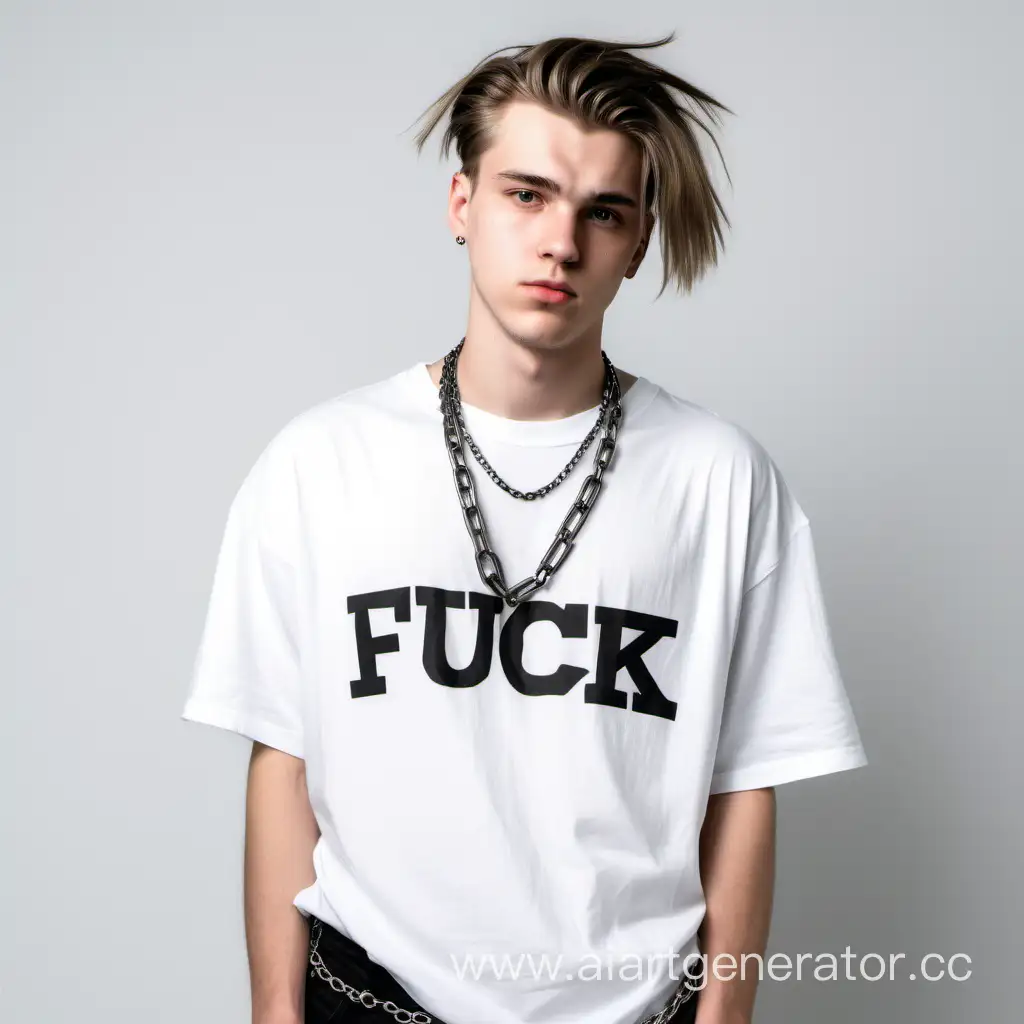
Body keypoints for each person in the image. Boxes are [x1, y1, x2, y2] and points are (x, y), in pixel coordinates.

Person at [181, 33, 868, 1024]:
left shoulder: (717, 479)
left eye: (603, 212)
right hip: (371, 995)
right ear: (463, 205)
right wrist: (276, 1012)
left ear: (636, 243)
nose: (562, 241)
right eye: (526, 194)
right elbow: (282, 762)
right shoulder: (319, 462)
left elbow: (744, 786)